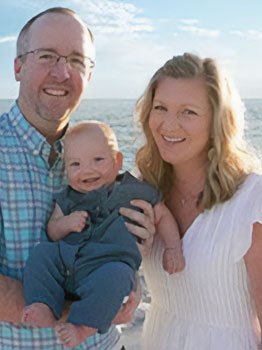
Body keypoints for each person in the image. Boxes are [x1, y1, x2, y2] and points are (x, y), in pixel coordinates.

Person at [0, 7, 140, 350]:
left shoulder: (95, 153)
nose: (62, 73)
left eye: (77, 60)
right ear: (18, 66)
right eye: (47, 55)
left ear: (89, 75)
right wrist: (88, 311)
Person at [119, 52, 262, 349]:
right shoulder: (141, 189)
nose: (169, 125)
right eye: (161, 108)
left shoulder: (252, 199)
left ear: (217, 122)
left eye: (188, 112)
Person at [21, 120, 185, 348]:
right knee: (42, 254)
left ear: (117, 161)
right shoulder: (69, 196)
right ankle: (43, 304)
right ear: (66, 169)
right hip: (66, 262)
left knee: (118, 276)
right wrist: (67, 223)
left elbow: (162, 214)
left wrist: (173, 247)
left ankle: (83, 327)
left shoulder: (131, 190)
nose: (86, 170)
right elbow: (53, 229)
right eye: (75, 164)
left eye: (98, 160)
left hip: (107, 266)